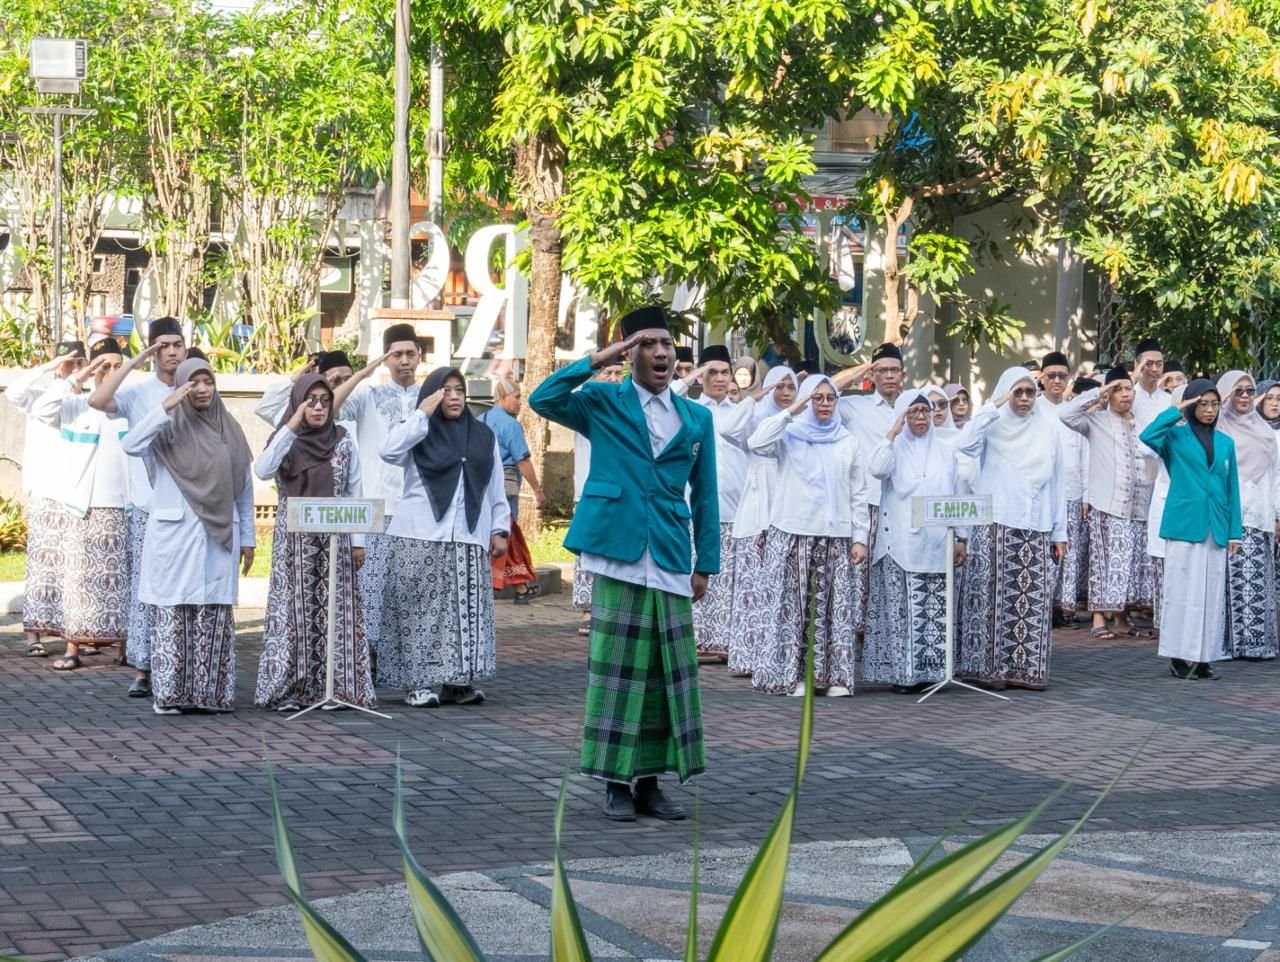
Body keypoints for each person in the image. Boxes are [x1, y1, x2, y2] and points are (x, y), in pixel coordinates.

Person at [529, 305, 719, 823]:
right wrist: (596, 359)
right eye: (649, 343)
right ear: (629, 351)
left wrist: (707, 562)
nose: (661, 353)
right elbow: (541, 398)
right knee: (618, 671)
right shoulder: (601, 402)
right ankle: (614, 781)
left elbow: (706, 495)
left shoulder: (696, 417)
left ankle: (652, 783)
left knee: (666, 674)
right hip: (616, 549)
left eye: (668, 344)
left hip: (672, 553)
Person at [122, 358, 254, 714]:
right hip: (174, 538)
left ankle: (210, 696)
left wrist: (249, 539)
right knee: (174, 618)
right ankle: (170, 696)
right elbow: (131, 445)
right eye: (192, 382)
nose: (201, 389)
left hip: (219, 537)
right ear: (181, 386)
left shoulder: (230, 429)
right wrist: (164, 408)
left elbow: (243, 488)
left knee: (213, 615)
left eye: (207, 381)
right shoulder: (166, 427)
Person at [378, 367, 509, 708]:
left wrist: (500, 528)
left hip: (467, 536)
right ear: (432, 394)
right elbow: (389, 451)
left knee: (462, 613)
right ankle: (417, 684)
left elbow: (495, 487)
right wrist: (421, 414)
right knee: (418, 614)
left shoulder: (483, 436)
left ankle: (457, 683)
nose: (453, 396)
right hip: (419, 535)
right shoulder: (419, 430)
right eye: (445, 390)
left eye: (459, 390)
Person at [253, 374, 376, 711]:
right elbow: (262, 470)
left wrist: (358, 542)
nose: (319, 407)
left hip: (335, 539)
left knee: (335, 609)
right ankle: (292, 688)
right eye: (311, 401)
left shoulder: (344, 439)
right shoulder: (285, 438)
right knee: (295, 612)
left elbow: (354, 490)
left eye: (325, 400)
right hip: (294, 542)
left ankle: (335, 687)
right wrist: (289, 427)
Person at [748, 374, 869, 697]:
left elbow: (858, 492)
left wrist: (860, 537)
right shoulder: (790, 433)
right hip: (794, 532)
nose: (825, 404)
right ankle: (794, 676)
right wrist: (794, 409)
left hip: (835, 536)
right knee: (795, 609)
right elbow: (756, 442)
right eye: (817, 398)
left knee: (833, 609)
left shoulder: (847, 440)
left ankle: (834, 678)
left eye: (830, 398)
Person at [88, 316, 188, 698]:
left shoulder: (197, 386)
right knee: (147, 588)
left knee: (182, 589)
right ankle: (143, 668)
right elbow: (97, 400)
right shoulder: (139, 392)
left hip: (191, 508)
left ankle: (178, 664)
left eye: (177, 344)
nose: (172, 352)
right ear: (152, 350)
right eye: (162, 345)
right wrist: (132, 362)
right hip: (148, 507)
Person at [955, 366, 1067, 691]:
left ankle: (1025, 671)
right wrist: (993, 405)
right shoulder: (991, 425)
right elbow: (964, 445)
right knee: (990, 601)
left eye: (1030, 392)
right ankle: (987, 670)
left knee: (1029, 601)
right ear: (1005, 392)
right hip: (993, 524)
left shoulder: (1048, 429)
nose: (1023, 399)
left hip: (1035, 526)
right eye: (1016, 392)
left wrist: (1060, 533)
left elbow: (1058, 483)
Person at [30, 340, 132, 670]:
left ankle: (125, 648)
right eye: (104, 366)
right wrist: (82, 374)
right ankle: (72, 649)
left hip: (124, 509)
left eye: (117, 366)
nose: (111, 372)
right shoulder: (75, 407)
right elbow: (42, 409)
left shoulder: (129, 406)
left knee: (124, 585)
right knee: (79, 585)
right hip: (82, 508)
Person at [864, 390, 968, 693]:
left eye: (925, 410)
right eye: (913, 411)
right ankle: (904, 675)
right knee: (903, 613)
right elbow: (877, 469)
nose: (921, 417)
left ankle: (931, 674)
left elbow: (956, 496)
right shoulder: (892, 448)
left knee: (932, 611)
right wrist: (893, 433)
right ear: (901, 415)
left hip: (936, 544)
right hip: (898, 543)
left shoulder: (945, 451)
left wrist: (961, 537)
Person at [1141, 380, 1242, 680]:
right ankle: (1179, 656)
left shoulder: (1226, 442)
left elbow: (1231, 488)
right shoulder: (1175, 436)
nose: (1209, 410)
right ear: (1191, 405)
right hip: (1185, 523)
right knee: (1182, 592)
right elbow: (1148, 435)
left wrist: (1234, 531)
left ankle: (1203, 657)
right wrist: (1177, 411)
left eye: (1214, 404)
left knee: (1210, 595)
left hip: (1216, 525)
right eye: (1202, 404)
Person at [331, 325, 419, 665]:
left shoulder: (431, 395)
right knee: (370, 587)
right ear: (386, 359)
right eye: (396, 354)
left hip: (417, 509)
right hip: (374, 507)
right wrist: (364, 373)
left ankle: (406, 658)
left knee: (410, 588)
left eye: (410, 353)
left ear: (419, 356)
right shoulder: (368, 396)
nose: (404, 361)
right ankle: (366, 660)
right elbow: (333, 407)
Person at [1059, 365, 1156, 640]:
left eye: (1128, 389)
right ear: (1109, 394)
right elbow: (1065, 413)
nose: (1125, 394)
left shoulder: (1142, 424)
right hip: (1108, 505)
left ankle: (1123, 621)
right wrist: (1098, 392)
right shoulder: (1096, 421)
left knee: (1128, 566)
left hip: (1138, 506)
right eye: (1118, 390)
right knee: (1106, 564)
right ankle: (1098, 620)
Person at [5, 342, 87, 656]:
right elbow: (13, 392)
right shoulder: (39, 397)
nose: (73, 366)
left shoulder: (89, 401)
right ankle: (34, 635)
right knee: (42, 568)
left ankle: (74, 635)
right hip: (45, 491)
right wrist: (49, 367)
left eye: (78, 360)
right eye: (68, 361)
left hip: (77, 493)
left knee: (73, 569)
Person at [672, 345, 753, 658]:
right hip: (698, 507)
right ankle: (694, 641)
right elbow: (666, 398)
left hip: (736, 508)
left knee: (729, 581)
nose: (719, 379)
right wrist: (692, 374)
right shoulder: (688, 409)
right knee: (696, 578)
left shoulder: (742, 414)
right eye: (712, 372)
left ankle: (726, 643)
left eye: (724, 372)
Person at [721, 366, 797, 676]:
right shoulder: (754, 417)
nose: (785, 393)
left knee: (779, 591)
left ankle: (775, 656)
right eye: (778, 387)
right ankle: (748, 656)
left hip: (787, 511)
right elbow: (728, 428)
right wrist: (758, 395)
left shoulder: (799, 422)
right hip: (756, 512)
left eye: (791, 387)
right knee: (753, 589)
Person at [834, 342, 905, 633]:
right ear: (873, 375)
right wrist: (863, 368)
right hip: (869, 501)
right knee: (860, 572)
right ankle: (858, 632)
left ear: (903, 374)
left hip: (902, 503)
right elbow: (825, 389)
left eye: (894, 370)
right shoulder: (856, 406)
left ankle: (887, 632)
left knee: (894, 572)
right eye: (882, 370)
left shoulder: (913, 405)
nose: (889, 375)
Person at [1216, 370, 1280, 661]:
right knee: (1227, 583)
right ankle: (1225, 644)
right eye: (1237, 391)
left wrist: (1277, 514)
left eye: (1249, 391)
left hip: (1259, 516)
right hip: (1227, 518)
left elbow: (1275, 477)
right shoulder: (1217, 430)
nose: (1244, 397)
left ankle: (1255, 644)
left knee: (1255, 582)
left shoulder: (1266, 433)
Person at [479, 378, 546, 604]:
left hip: (481, 485)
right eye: (516, 397)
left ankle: (521, 587)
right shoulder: (510, 425)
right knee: (504, 533)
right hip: (505, 486)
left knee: (506, 535)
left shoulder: (481, 420)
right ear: (503, 397)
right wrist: (537, 490)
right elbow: (522, 461)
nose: (520, 403)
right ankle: (491, 584)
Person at [571, 361, 624, 635]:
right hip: (589, 492)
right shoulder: (586, 404)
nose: (615, 379)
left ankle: (612, 609)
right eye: (608, 374)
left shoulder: (624, 408)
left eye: (619, 374)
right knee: (588, 555)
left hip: (620, 493)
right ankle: (589, 609)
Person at [255, 350, 357, 432]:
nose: (344, 385)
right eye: (336, 380)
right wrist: (293, 380)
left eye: (348, 379)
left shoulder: (354, 405)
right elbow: (263, 409)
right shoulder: (296, 411)